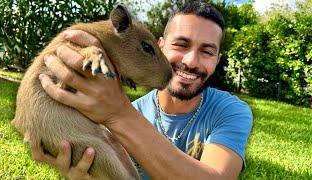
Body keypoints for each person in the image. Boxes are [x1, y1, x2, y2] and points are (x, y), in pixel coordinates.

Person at [32, 2, 253, 179]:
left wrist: (117, 114)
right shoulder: (132, 109)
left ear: (217, 60)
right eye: (181, 45)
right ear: (160, 46)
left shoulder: (230, 111)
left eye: (207, 51)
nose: (191, 61)